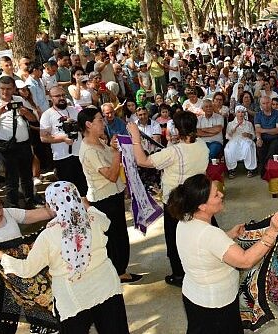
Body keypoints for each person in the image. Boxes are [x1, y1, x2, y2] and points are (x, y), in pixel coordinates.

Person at [0, 182, 129, 334]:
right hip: (106, 286)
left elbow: (26, 269)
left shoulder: (48, 236)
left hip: (74, 297)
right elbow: (106, 222)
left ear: (51, 205)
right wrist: (87, 206)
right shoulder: (93, 219)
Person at [167, 174, 278, 334]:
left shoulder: (185, 220)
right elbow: (245, 260)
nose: (221, 195)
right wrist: (272, 232)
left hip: (195, 297)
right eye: (216, 195)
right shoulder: (210, 234)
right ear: (202, 206)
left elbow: (203, 246)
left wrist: (229, 235)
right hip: (215, 306)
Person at [127, 111, 209, 287]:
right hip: (198, 198)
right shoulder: (202, 145)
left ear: (177, 130)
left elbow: (142, 161)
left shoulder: (174, 152)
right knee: (200, 234)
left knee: (175, 240)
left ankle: (179, 274)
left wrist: (135, 135)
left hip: (176, 202)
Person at [0, 191, 59, 334]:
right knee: (9, 314)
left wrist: (61, 208)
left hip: (23, 269)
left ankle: (38, 326)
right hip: (0, 280)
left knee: (34, 300)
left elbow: (34, 215)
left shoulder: (8, 213)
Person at [77, 107, 141, 283]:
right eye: (99, 120)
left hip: (114, 195)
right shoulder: (90, 150)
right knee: (114, 237)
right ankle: (118, 272)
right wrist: (116, 152)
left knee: (119, 234)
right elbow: (111, 176)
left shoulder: (98, 141)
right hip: (104, 199)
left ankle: (120, 268)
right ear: (89, 125)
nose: (103, 122)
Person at [0, 76, 41, 209]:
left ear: (14, 89)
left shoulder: (19, 100)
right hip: (6, 147)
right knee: (11, 179)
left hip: (24, 145)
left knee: (27, 177)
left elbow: (33, 120)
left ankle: (30, 201)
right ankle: (13, 206)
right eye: (2, 88)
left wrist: (25, 112)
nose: (5, 92)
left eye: (8, 89)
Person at [39, 86, 89, 197]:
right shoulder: (47, 115)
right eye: (57, 96)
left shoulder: (73, 110)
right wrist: (62, 139)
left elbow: (83, 129)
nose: (61, 98)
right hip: (62, 157)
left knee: (83, 187)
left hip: (79, 154)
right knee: (68, 190)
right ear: (51, 98)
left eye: (63, 95)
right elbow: (43, 137)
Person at [224, 106, 257, 178]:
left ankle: (250, 168)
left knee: (248, 146)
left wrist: (248, 135)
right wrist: (232, 131)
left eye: (242, 112)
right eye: (238, 112)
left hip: (246, 140)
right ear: (235, 114)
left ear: (244, 114)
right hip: (234, 140)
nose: (240, 114)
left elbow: (253, 136)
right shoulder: (230, 124)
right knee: (229, 149)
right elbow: (227, 137)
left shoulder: (249, 124)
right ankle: (232, 169)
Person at [255, 96, 278, 177]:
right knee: (259, 146)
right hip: (262, 137)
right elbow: (257, 130)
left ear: (271, 103)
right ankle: (265, 168)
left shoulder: (277, 114)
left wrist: (263, 130)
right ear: (260, 105)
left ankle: (264, 170)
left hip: (275, 138)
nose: (266, 105)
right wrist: (259, 138)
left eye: (268, 103)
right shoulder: (258, 115)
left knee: (272, 150)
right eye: (263, 103)